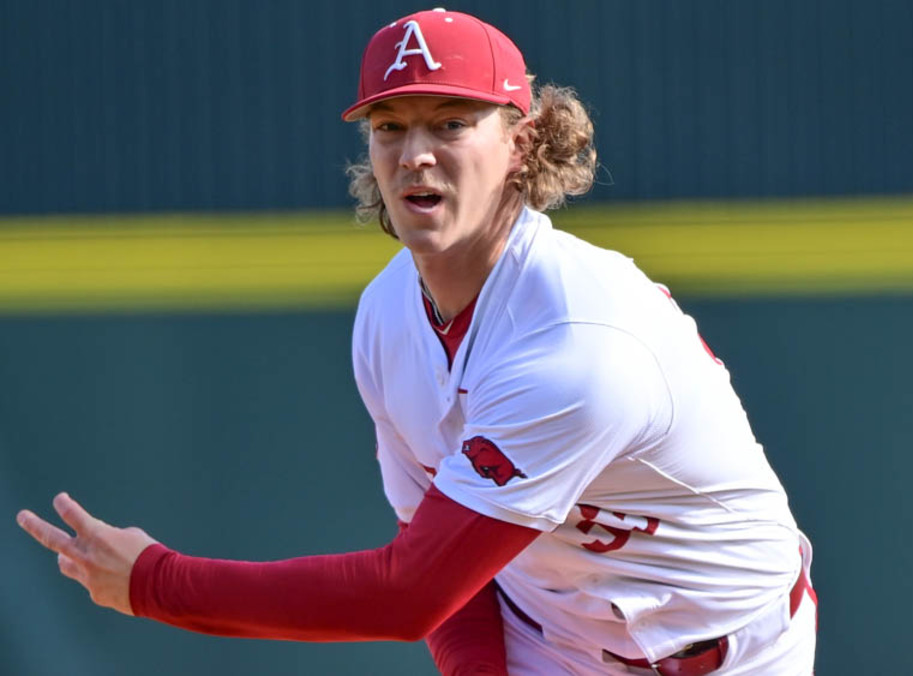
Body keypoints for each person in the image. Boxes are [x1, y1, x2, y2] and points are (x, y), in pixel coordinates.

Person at [16, 8, 817, 675]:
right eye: (389, 125)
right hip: (557, 646)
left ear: (522, 144)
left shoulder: (578, 343)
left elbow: (408, 593)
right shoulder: (388, 315)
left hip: (736, 655)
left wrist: (161, 583)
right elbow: (452, 569)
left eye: (452, 122)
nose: (415, 153)